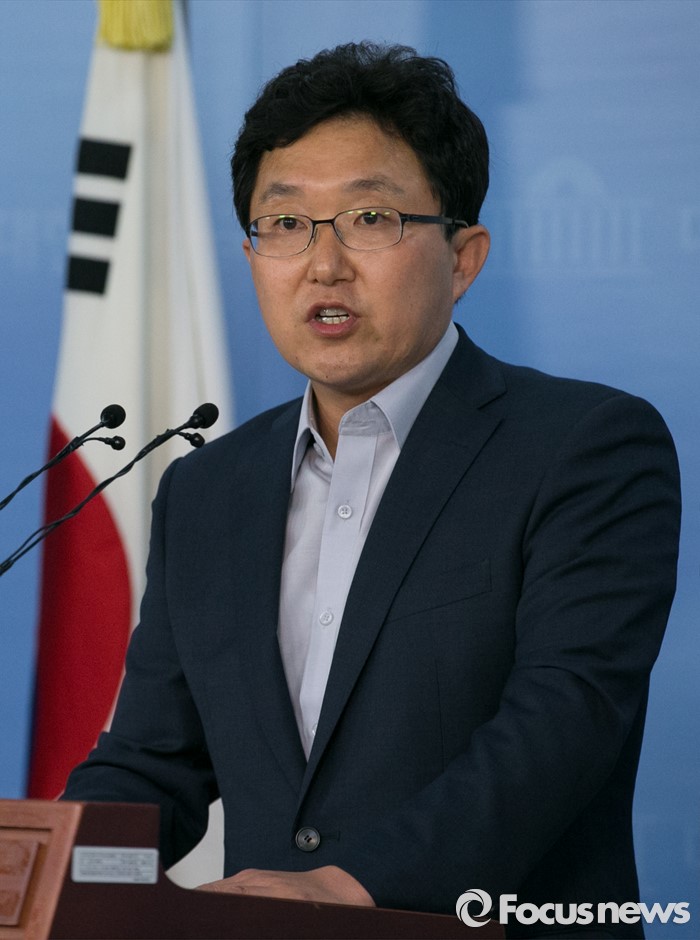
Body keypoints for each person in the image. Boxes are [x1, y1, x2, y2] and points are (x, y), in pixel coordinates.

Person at [63, 42, 681, 936]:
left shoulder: (583, 447)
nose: (323, 264)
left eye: (369, 218)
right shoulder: (206, 490)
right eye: (285, 223)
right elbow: (156, 763)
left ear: (463, 257)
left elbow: (564, 722)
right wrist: (49, 866)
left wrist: (353, 883)